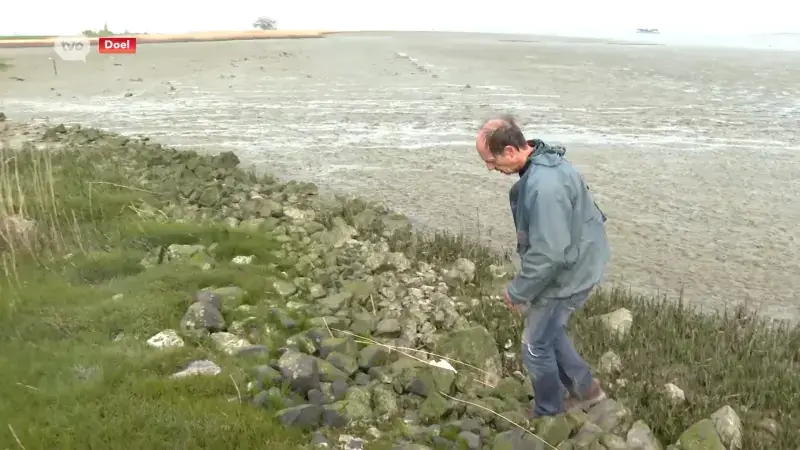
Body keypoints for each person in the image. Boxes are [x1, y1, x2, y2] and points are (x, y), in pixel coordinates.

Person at [475, 115, 611, 417]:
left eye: (491, 161)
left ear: (510, 151)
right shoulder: (545, 161)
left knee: (535, 346)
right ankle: (588, 391)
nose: (490, 168)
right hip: (583, 260)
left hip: (570, 275)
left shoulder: (544, 186)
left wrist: (518, 291)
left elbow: (550, 254)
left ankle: (549, 412)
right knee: (551, 331)